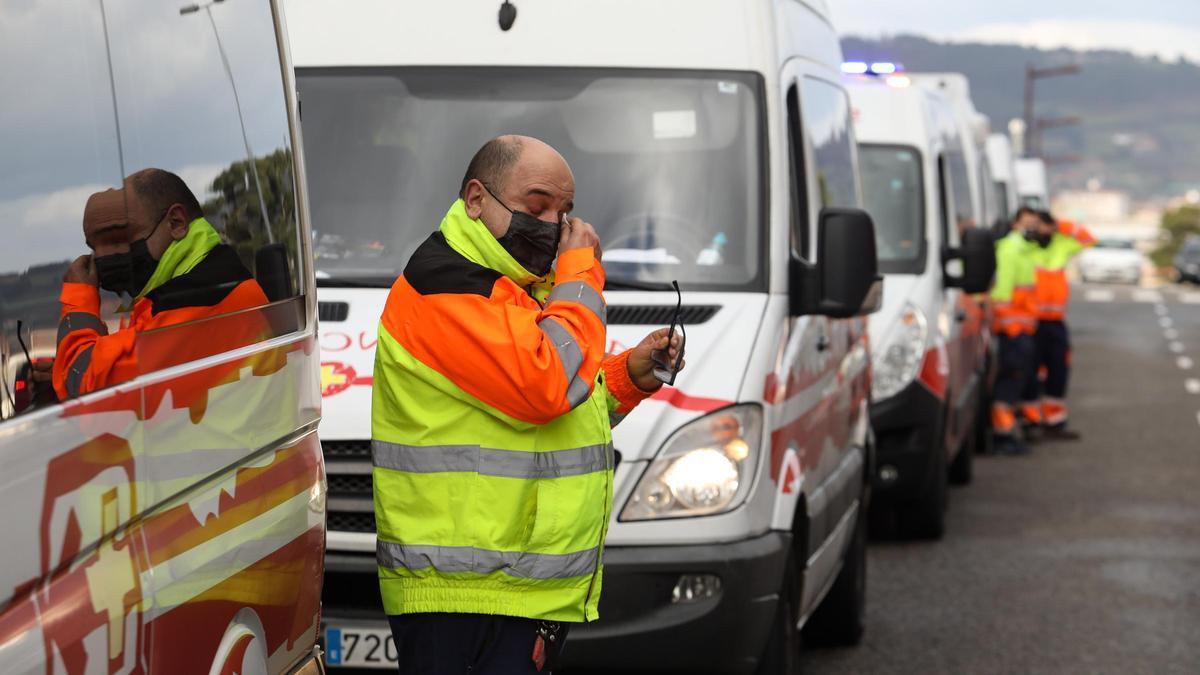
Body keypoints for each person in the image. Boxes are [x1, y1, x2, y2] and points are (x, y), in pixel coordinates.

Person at [371, 135, 683, 674]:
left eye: (563, 213)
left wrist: (628, 376)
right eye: (536, 206)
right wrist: (580, 274)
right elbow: (546, 387)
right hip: (464, 596)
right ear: (475, 199)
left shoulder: (515, 286)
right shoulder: (446, 286)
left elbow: (554, 416)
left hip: (507, 591)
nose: (551, 225)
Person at [53, 168, 270, 400]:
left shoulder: (201, 299)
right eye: (95, 247)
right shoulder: (187, 288)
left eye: (119, 239)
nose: (103, 258)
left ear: (176, 223)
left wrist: (79, 298)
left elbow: (89, 394)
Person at [1019, 210, 1095, 439]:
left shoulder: (1060, 245)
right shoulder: (1025, 248)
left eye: (1045, 226)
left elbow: (1088, 239)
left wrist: (1059, 225)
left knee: (1059, 370)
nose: (1042, 230)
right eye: (1038, 226)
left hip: (1055, 322)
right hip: (1030, 322)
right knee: (1031, 372)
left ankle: (1055, 421)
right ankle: (1031, 422)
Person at [989, 207, 1041, 455]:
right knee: (1009, 381)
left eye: (1035, 223)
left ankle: (1008, 432)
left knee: (1018, 381)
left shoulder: (1026, 250)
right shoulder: (1011, 250)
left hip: (1022, 329)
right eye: (1027, 223)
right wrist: (1011, 328)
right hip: (1013, 330)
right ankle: (1002, 435)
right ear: (1015, 224)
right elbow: (1001, 295)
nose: (1032, 227)